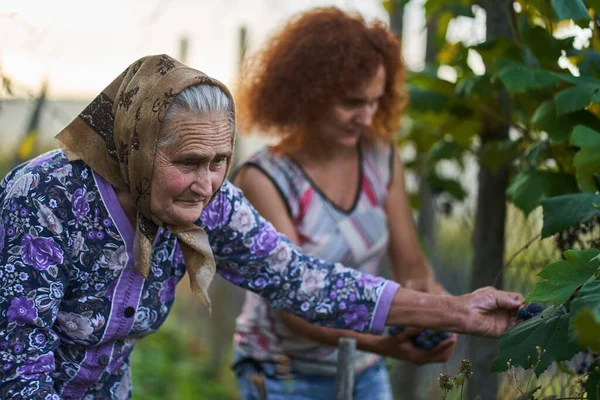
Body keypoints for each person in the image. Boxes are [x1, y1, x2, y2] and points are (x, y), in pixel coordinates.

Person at [0, 54, 522, 400]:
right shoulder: (48, 198)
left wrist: (457, 310)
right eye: (188, 161)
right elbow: (21, 366)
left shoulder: (212, 202)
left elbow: (301, 278)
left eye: (219, 161)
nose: (205, 184)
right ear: (135, 147)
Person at [231, 8, 471, 400]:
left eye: (376, 101)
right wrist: (383, 341)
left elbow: (410, 263)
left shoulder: (380, 155)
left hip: (364, 366)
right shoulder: (264, 178)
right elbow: (294, 304)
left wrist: (430, 302)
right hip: (282, 370)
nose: (367, 116)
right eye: (352, 102)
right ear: (309, 95)